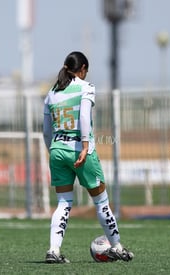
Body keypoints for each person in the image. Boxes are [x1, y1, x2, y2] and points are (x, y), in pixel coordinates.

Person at [42, 51, 134, 263]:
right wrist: (84, 146)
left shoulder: (52, 93)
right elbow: (84, 116)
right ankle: (117, 247)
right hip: (80, 151)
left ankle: (53, 251)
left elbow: (46, 131)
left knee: (63, 203)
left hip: (56, 150)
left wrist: (53, 150)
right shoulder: (86, 87)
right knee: (101, 201)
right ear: (82, 69)